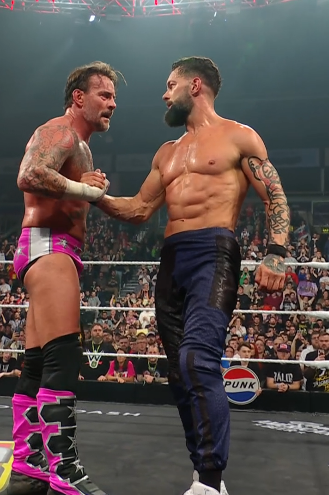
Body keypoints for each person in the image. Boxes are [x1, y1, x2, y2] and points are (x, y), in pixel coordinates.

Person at [94, 56, 289, 495]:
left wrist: (276, 253)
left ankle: (211, 481)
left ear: (195, 85)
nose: (164, 94)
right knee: (180, 374)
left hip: (213, 253)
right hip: (172, 259)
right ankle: (204, 474)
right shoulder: (167, 152)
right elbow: (139, 209)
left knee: (196, 360)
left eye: (170, 85)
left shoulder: (239, 136)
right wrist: (94, 195)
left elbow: (274, 195)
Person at [9, 61, 119, 495]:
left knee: (38, 360)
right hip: (48, 244)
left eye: (113, 97)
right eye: (104, 95)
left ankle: (28, 462)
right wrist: (84, 189)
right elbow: (30, 174)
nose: (112, 104)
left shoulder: (82, 147)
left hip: (54, 248)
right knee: (64, 356)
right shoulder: (59, 131)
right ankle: (64, 469)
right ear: (79, 97)